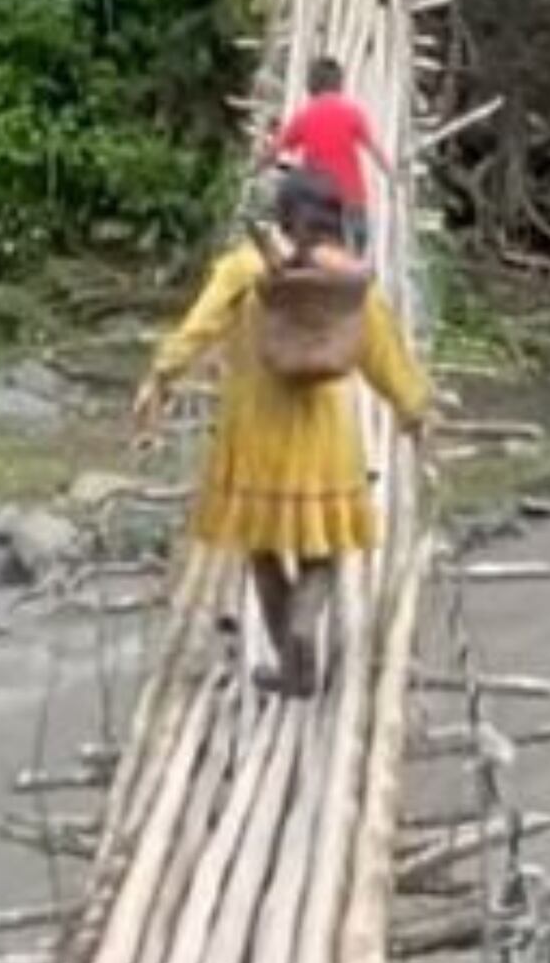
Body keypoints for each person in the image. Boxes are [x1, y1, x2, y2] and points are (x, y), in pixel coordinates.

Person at [134, 166, 434, 697]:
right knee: (325, 550)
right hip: (325, 437)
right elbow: (382, 353)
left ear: (281, 216)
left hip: (255, 435)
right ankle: (304, 619)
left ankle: (293, 668)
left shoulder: (244, 269)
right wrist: (413, 409)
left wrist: (160, 376)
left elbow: (199, 328)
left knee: (263, 551)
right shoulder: (348, 282)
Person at [268, 58, 377, 249]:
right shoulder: (352, 112)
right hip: (352, 198)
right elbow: (374, 149)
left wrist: (255, 168)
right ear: (339, 84)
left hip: (320, 201)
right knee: (356, 248)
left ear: (311, 85)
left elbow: (276, 150)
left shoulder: (305, 115)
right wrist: (392, 175)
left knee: (315, 245)